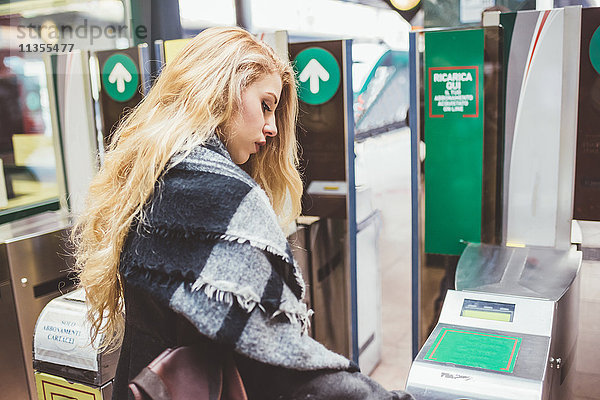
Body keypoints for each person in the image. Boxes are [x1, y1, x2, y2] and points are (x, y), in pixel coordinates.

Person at [73, 27, 413, 400]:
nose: (271, 127)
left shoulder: (151, 177)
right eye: (265, 104)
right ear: (221, 89)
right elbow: (279, 360)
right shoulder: (214, 194)